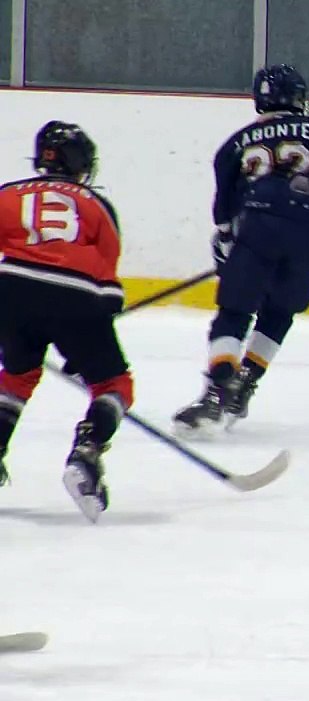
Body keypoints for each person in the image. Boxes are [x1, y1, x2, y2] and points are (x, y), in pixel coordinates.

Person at [174, 63, 309, 433]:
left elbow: (223, 215)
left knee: (234, 312)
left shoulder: (233, 146)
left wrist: (231, 244)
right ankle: (245, 384)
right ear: (299, 97)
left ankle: (218, 390)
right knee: (279, 311)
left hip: (256, 231)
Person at [0, 121, 133, 520]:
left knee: (18, 376)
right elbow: (107, 279)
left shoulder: (7, 194)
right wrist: (91, 334)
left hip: (10, 289)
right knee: (114, 384)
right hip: (76, 295)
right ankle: (87, 453)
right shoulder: (95, 202)